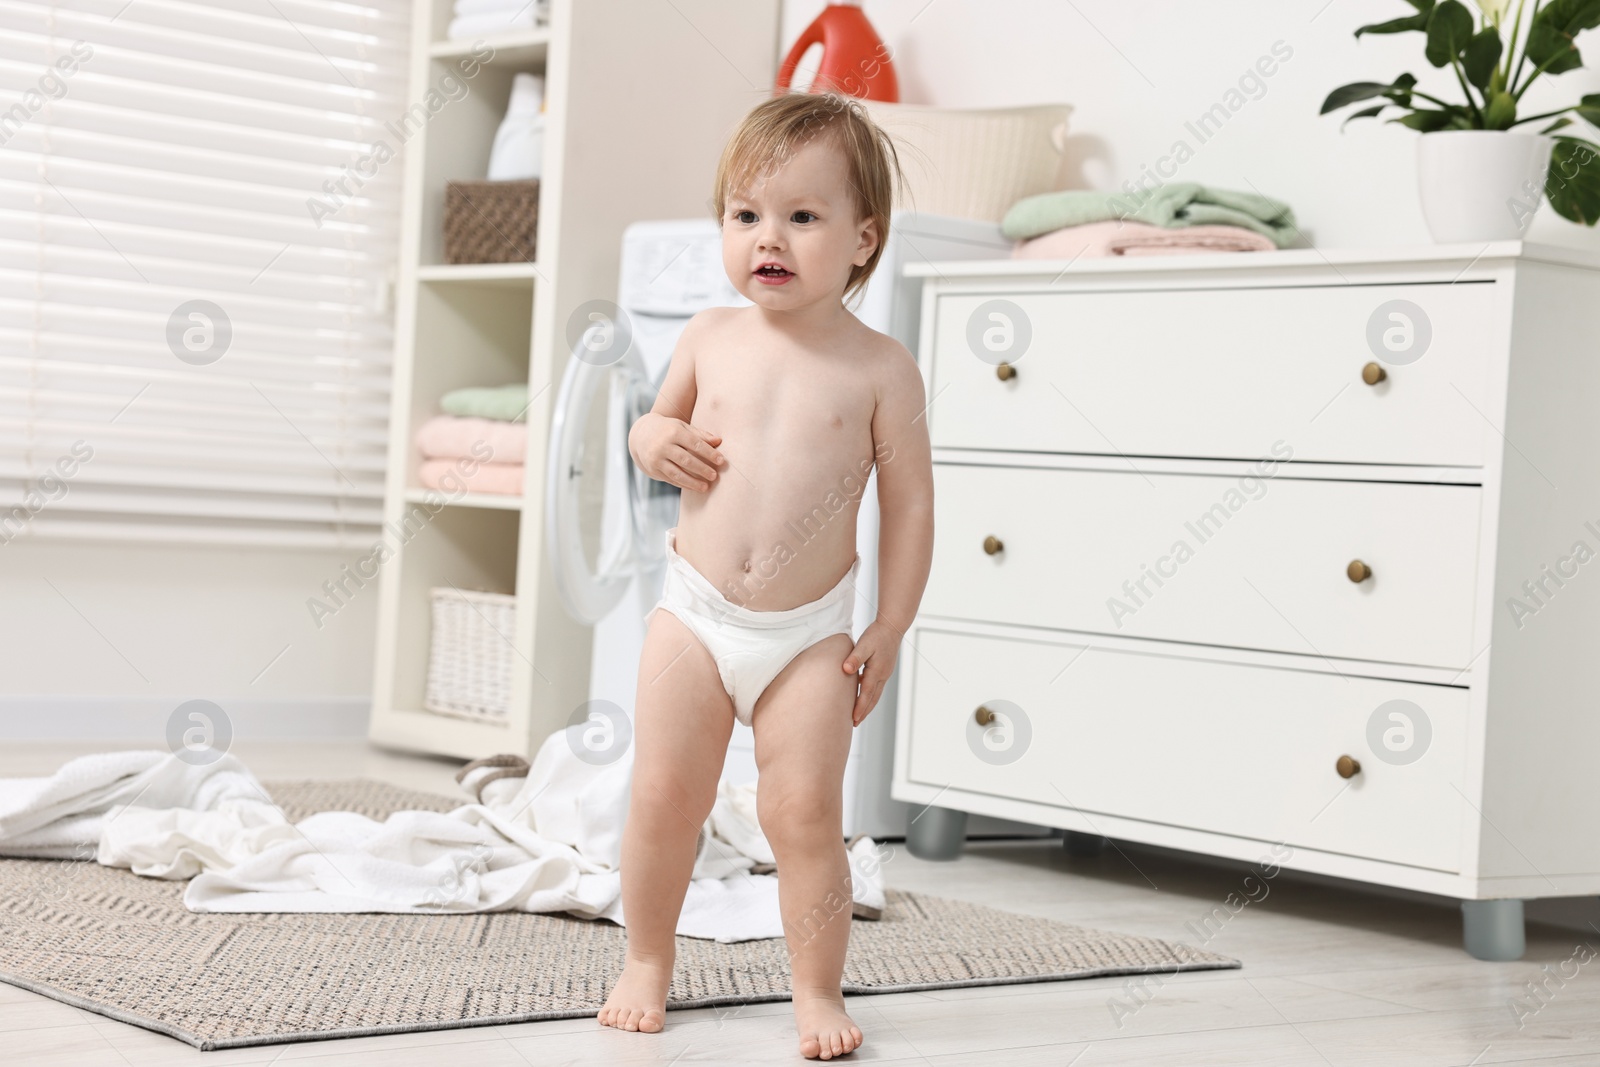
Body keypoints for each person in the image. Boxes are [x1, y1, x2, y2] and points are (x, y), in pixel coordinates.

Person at [597, 90, 935, 1061]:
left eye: (800, 215)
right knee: (664, 792)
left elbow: (910, 506)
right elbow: (650, 425)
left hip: (808, 635)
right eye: (744, 215)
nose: (766, 238)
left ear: (862, 238)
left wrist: (889, 626)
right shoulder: (708, 335)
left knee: (803, 814)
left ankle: (815, 985)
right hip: (694, 615)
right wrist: (652, 435)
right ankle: (648, 960)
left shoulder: (880, 368)